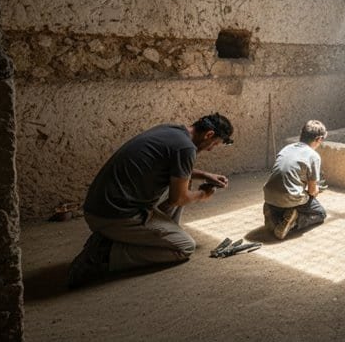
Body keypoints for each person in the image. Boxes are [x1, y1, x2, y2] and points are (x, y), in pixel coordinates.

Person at [67, 113, 235, 288]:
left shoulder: (172, 130)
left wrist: (205, 175)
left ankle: (142, 235)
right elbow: (178, 198)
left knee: (183, 182)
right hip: (114, 215)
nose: (210, 149)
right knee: (184, 247)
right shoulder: (186, 148)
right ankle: (104, 255)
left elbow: (175, 166)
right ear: (208, 134)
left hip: (99, 206)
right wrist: (202, 195)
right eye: (214, 144)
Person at [263, 120, 328, 240]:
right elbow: (312, 191)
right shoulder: (313, 156)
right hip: (289, 197)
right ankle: (294, 222)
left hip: (268, 195)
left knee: (287, 198)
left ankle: (274, 215)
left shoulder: (287, 148)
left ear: (301, 134)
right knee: (320, 213)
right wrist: (316, 190)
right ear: (319, 139)